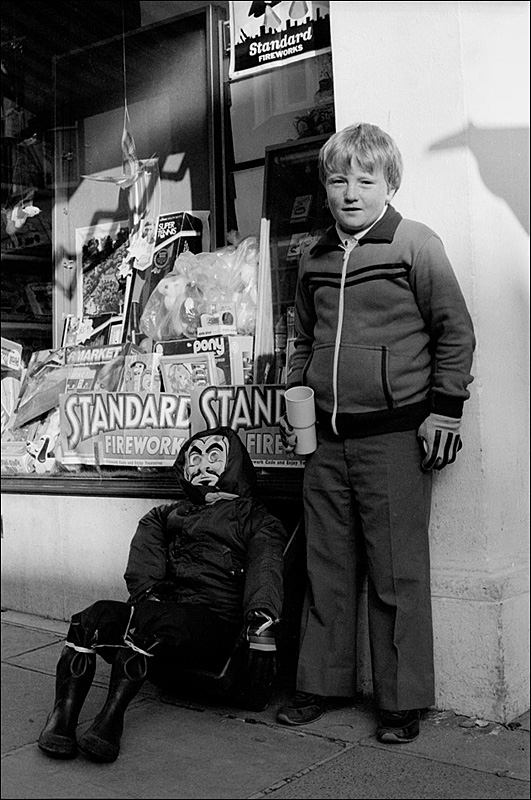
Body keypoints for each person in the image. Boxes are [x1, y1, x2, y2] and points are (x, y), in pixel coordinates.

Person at [277, 123, 476, 743]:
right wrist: (294, 394)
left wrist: (445, 411)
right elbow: (302, 337)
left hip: (395, 438)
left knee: (396, 573)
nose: (351, 192)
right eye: (339, 180)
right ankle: (321, 683)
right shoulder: (313, 257)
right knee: (327, 567)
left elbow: (454, 331)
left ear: (390, 184)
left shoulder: (415, 244)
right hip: (324, 441)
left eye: (366, 180)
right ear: (326, 187)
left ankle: (400, 700)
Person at [38, 426, 288, 763]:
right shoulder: (170, 514)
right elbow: (147, 545)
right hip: (168, 610)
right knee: (91, 619)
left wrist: (261, 617)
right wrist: (147, 592)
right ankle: (62, 719)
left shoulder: (255, 518)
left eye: (214, 456)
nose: (202, 466)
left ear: (233, 464)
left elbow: (266, 568)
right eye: (194, 458)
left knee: (151, 627)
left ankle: (109, 722)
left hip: (216, 622)